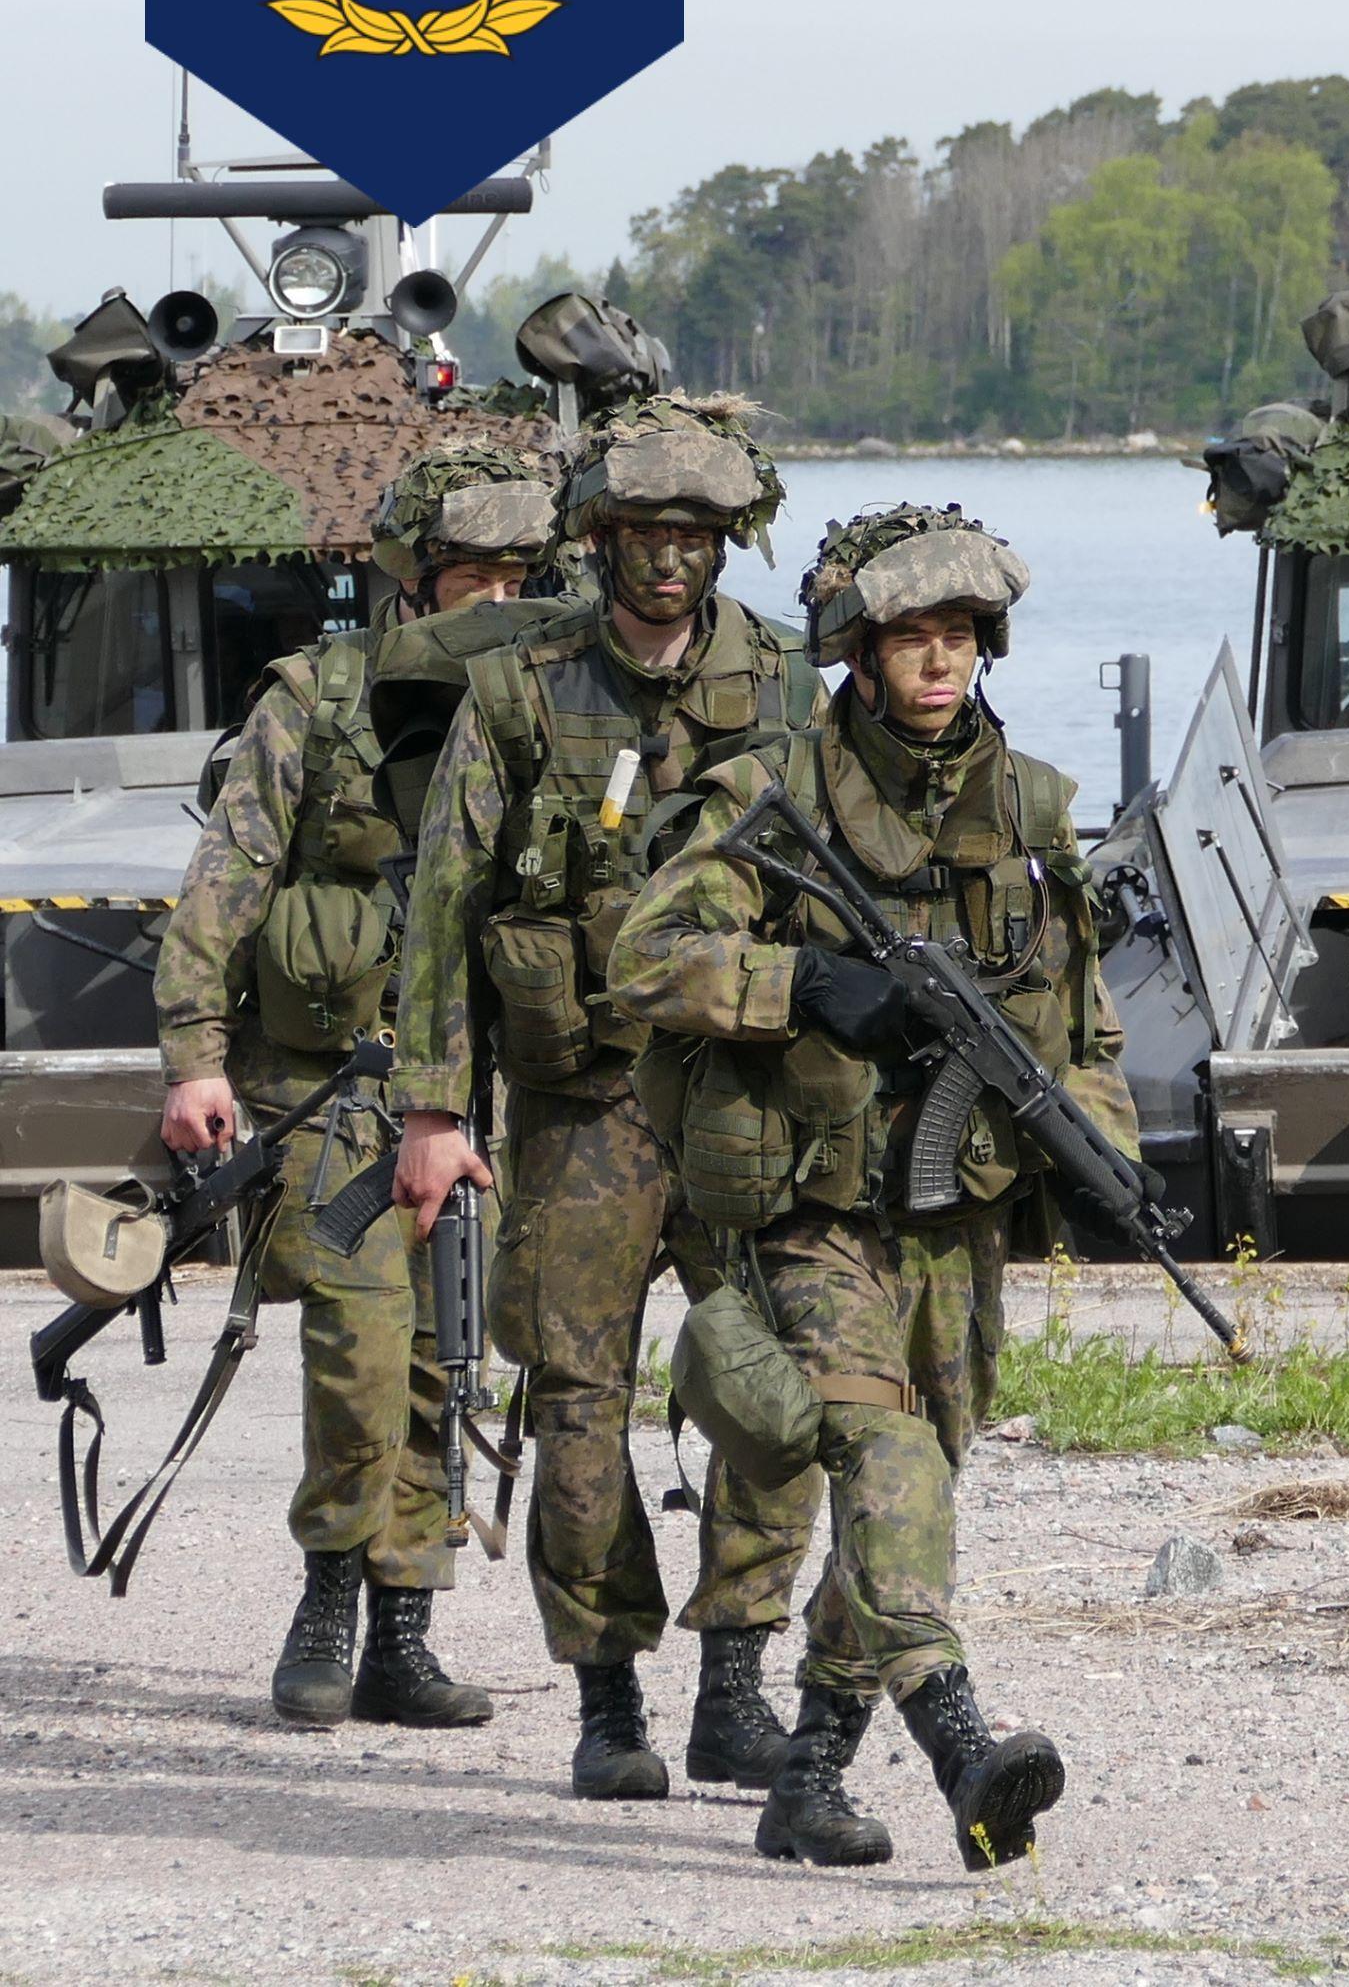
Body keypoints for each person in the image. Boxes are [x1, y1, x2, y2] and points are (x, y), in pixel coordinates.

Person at [610, 504, 1107, 1869]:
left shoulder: (1036, 810)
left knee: (914, 1492)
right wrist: (804, 982)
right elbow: (642, 959)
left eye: (958, 636)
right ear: (858, 651)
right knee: (882, 1457)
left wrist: (1103, 1158)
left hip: (955, 1217)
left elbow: (1084, 1028)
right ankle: (960, 1737)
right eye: (910, 638)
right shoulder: (773, 787)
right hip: (807, 1208)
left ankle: (811, 1770)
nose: (938, 662)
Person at [384, 397, 824, 1800]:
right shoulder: (523, 687)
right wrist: (436, 1112)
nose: (664, 565)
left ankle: (738, 1681)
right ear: (598, 538)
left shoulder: (795, 689)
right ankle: (608, 1692)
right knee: (576, 1397)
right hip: (583, 1101)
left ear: (726, 544)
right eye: (640, 535)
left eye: (692, 537)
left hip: (748, 1095)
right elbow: (445, 904)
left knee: (772, 1382)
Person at [149, 438, 559, 1728]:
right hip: (329, 1087)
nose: (494, 604)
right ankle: (327, 1591)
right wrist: (194, 1058)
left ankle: (404, 1625)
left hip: (470, 1083)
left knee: (448, 1351)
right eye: (468, 579)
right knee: (361, 1349)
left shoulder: (548, 710)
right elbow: (224, 883)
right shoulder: (319, 699)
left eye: (516, 578)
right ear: (413, 579)